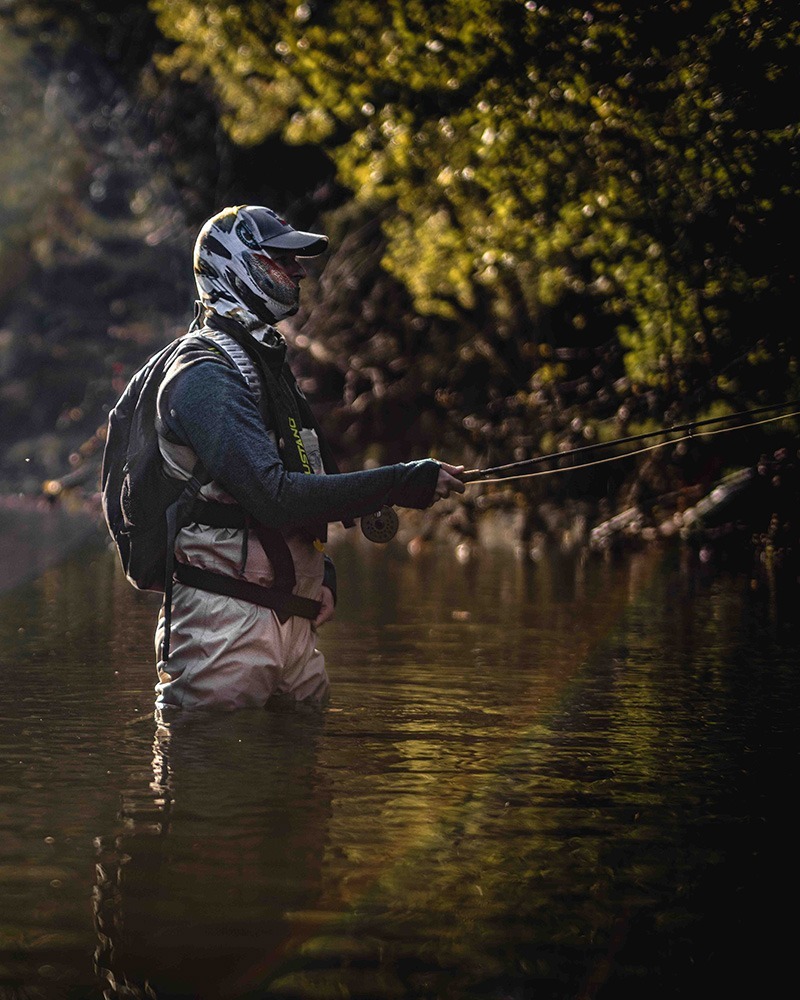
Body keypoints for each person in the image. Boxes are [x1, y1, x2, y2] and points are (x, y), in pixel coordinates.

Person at [152, 204, 464, 712]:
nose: (298, 271)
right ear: (236, 265)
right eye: (281, 259)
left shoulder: (266, 363)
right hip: (221, 629)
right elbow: (273, 497)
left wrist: (325, 578)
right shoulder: (203, 372)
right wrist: (400, 483)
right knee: (211, 782)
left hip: (291, 622)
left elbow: (309, 478)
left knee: (303, 783)